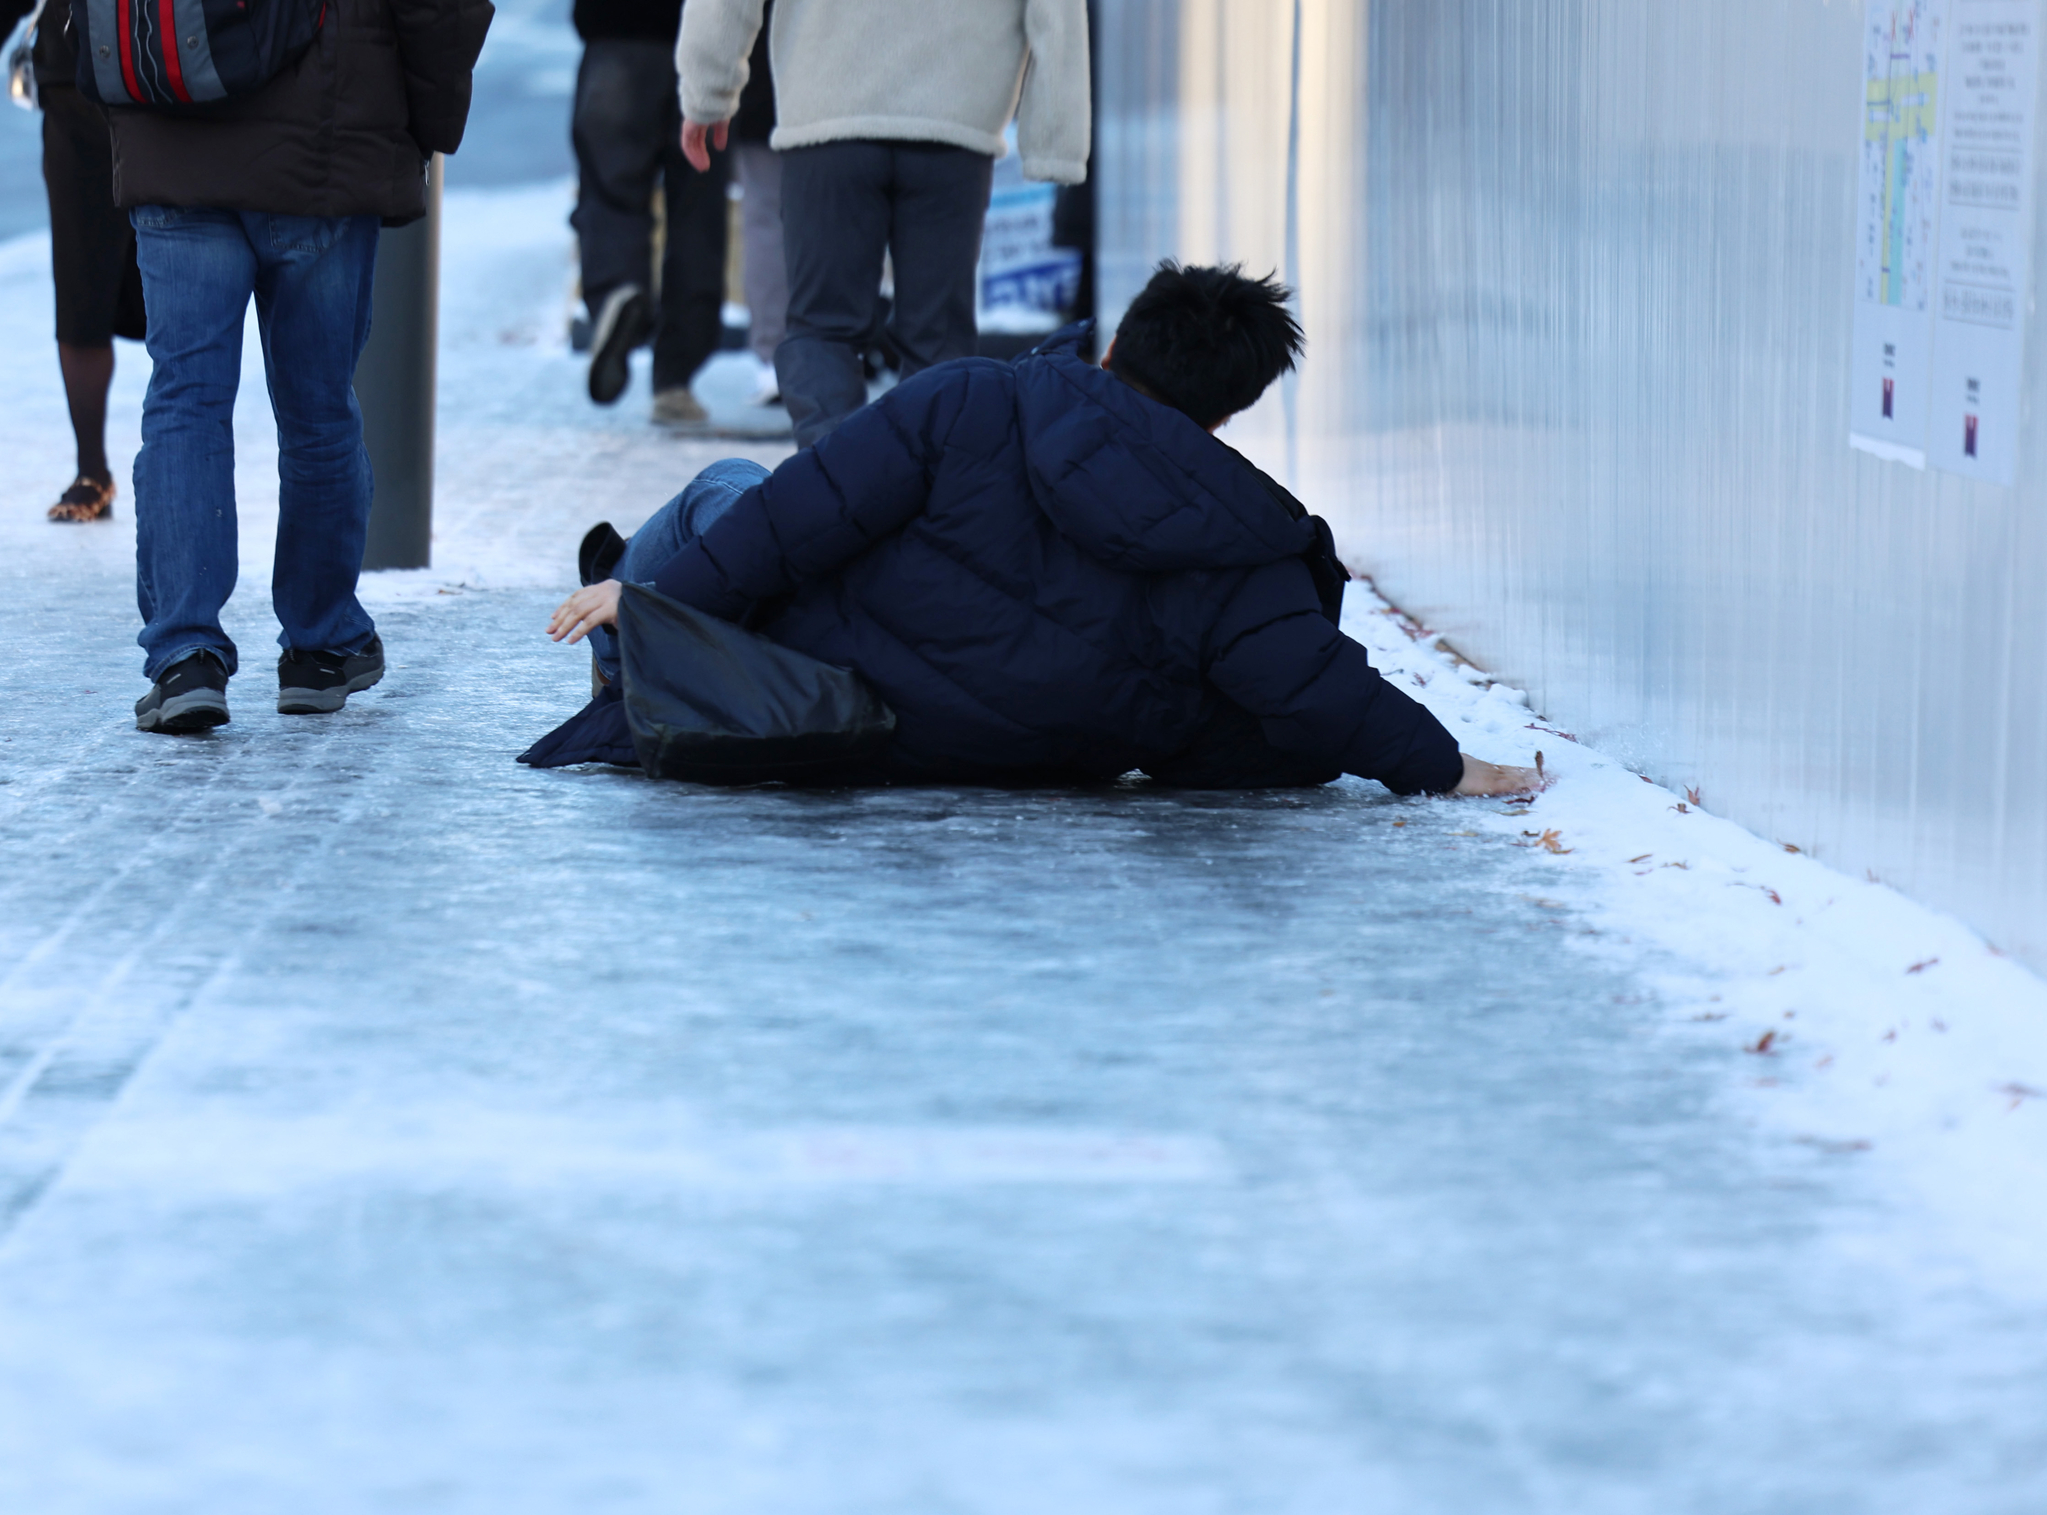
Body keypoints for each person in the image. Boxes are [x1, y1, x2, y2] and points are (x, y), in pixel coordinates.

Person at [548, 263, 1540, 797]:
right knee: (743, 506)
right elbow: (1311, 688)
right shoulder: (1244, 544)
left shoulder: (971, 401)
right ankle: (639, 626)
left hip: (812, 689)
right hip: (958, 752)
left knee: (728, 485)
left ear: (1112, 346)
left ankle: (629, 629)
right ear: (1228, 414)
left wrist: (658, 607)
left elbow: (796, 520)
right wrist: (1448, 767)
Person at [112, 0, 493, 734]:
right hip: (326, 145)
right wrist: (427, 124)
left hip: (172, 129)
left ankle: (184, 653)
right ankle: (321, 644)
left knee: (184, 401)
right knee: (318, 407)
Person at [676, 0, 1090, 448]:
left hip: (828, 115)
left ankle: (834, 488)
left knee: (823, 329)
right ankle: (928, 496)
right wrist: (1055, 135)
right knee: (938, 340)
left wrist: (708, 89)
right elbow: (1059, 12)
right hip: (956, 123)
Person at [0, 0, 147, 521]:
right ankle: (92, 469)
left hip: (177, 82)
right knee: (81, 287)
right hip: (76, 86)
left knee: (190, 291)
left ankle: (188, 457)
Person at [574, 0, 730, 427]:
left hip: (616, 35)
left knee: (610, 192)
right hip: (706, 42)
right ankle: (675, 378)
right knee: (698, 213)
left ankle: (617, 291)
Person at [729, 2, 783, 407]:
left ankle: (775, 358)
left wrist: (706, 98)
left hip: (760, 81)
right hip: (844, 96)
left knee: (766, 221)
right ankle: (839, 346)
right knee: (844, 219)